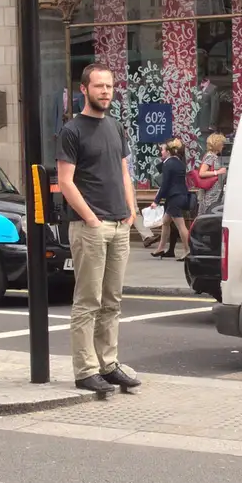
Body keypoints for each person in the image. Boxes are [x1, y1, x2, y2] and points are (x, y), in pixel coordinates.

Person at [56, 64, 141, 396]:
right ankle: (85, 370)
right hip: (91, 228)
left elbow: (123, 174)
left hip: (120, 225)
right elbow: (65, 182)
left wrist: (132, 211)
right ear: (84, 90)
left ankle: (109, 364)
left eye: (109, 86)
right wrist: (91, 219)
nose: (106, 91)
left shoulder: (115, 127)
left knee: (112, 301)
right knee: (88, 300)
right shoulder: (72, 131)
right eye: (99, 86)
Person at [149, 138, 191, 259]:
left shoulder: (168, 164)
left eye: (162, 150)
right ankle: (161, 248)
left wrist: (156, 201)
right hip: (181, 195)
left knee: (180, 225)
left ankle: (188, 250)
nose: (160, 152)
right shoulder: (179, 162)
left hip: (174, 197)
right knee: (165, 222)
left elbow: (165, 184)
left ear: (168, 151)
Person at [195, 132, 228, 218]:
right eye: (222, 144)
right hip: (211, 192)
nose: (223, 146)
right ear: (217, 144)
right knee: (209, 212)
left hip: (214, 191)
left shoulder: (213, 156)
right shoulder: (210, 156)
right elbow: (202, 173)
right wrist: (218, 172)